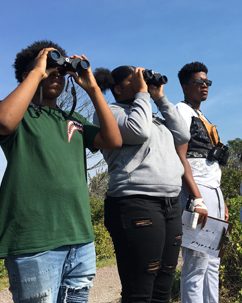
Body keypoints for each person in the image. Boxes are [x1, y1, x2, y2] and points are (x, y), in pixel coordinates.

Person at [0, 40, 122, 303]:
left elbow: (113, 140)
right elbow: (1, 122)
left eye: (60, 73)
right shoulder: (16, 113)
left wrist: (93, 89)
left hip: (80, 238)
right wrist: (37, 70)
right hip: (34, 240)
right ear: (29, 75)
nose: (56, 76)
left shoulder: (73, 120)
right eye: (49, 71)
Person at [92, 66, 190, 303]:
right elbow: (138, 132)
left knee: (164, 284)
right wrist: (144, 95)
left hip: (169, 203)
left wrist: (159, 97)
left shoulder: (150, 113)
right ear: (117, 89)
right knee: (140, 289)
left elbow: (183, 135)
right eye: (134, 80)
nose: (141, 84)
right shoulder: (110, 111)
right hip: (135, 201)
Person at [175, 61, 229, 303]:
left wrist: (222, 201)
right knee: (196, 262)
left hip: (213, 191)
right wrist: (196, 198)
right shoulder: (181, 110)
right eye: (199, 82)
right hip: (195, 190)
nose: (205, 86)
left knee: (213, 261)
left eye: (207, 82)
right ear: (186, 87)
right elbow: (180, 156)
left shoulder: (202, 115)